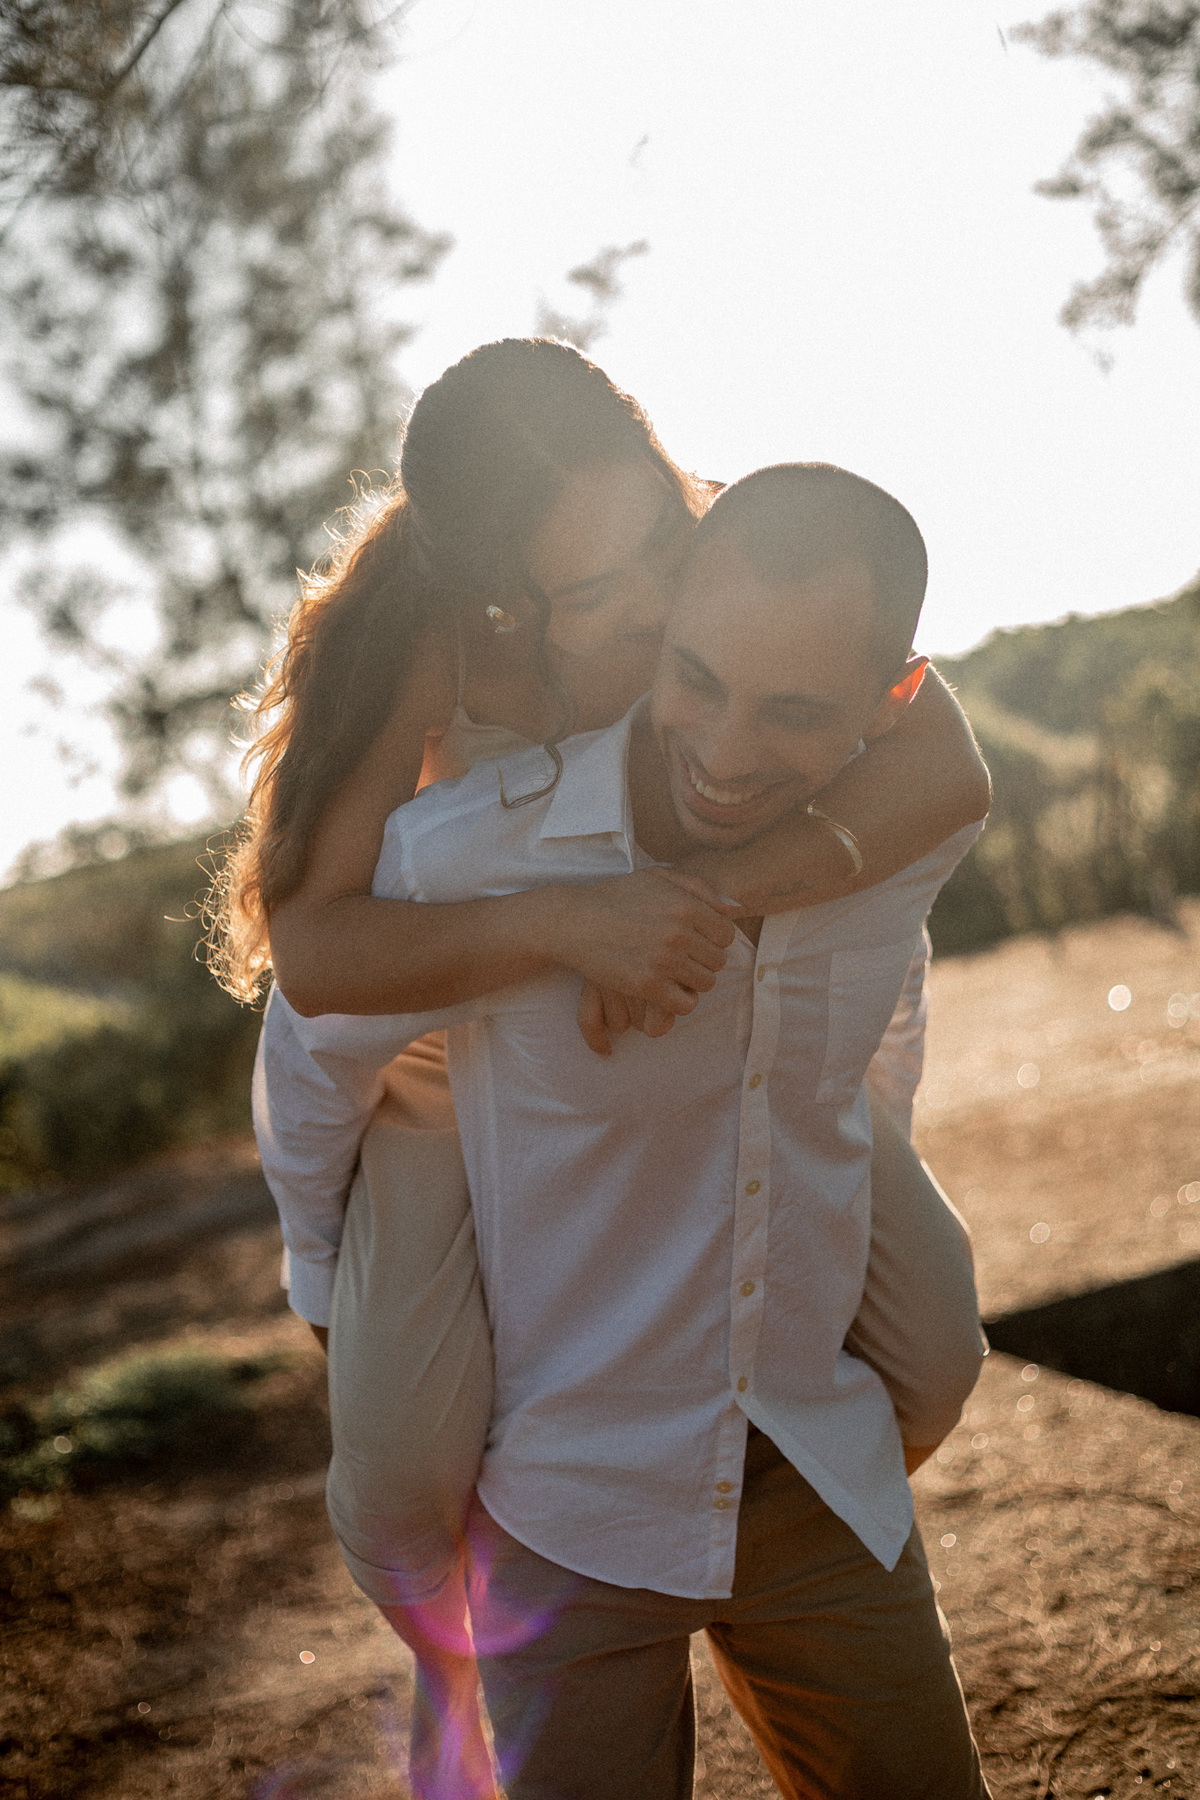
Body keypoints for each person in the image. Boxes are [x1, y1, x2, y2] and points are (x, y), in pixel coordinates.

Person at [217, 339, 989, 1798]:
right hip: (453, 1023)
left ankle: (781, 1543)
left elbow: (941, 768)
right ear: (502, 599)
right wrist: (571, 927)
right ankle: (465, 1664)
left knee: (940, 1339)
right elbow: (318, 961)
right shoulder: (425, 639)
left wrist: (720, 912)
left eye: (651, 548)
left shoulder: (722, 548)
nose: (642, 605)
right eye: (589, 593)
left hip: (693, 987)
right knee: (402, 1467)